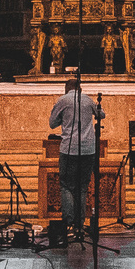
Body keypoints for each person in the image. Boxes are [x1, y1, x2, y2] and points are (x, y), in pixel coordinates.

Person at [49, 70, 103, 241]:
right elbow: (101, 115)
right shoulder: (87, 99)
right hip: (88, 149)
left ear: (67, 88)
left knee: (67, 186)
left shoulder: (63, 100)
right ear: (80, 88)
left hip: (69, 149)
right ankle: (80, 225)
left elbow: (52, 124)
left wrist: (63, 120)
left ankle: (69, 224)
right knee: (83, 186)